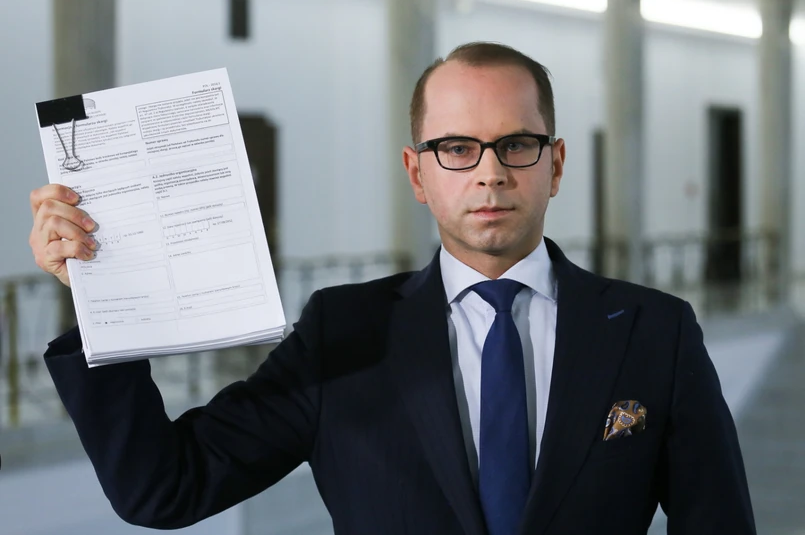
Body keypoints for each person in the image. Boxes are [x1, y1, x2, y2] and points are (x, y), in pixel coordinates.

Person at [29, 42, 756, 535]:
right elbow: (166, 487)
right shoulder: (342, 332)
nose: (490, 172)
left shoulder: (654, 331)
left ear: (555, 163)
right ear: (417, 172)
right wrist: (103, 291)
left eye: (516, 145)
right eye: (457, 148)